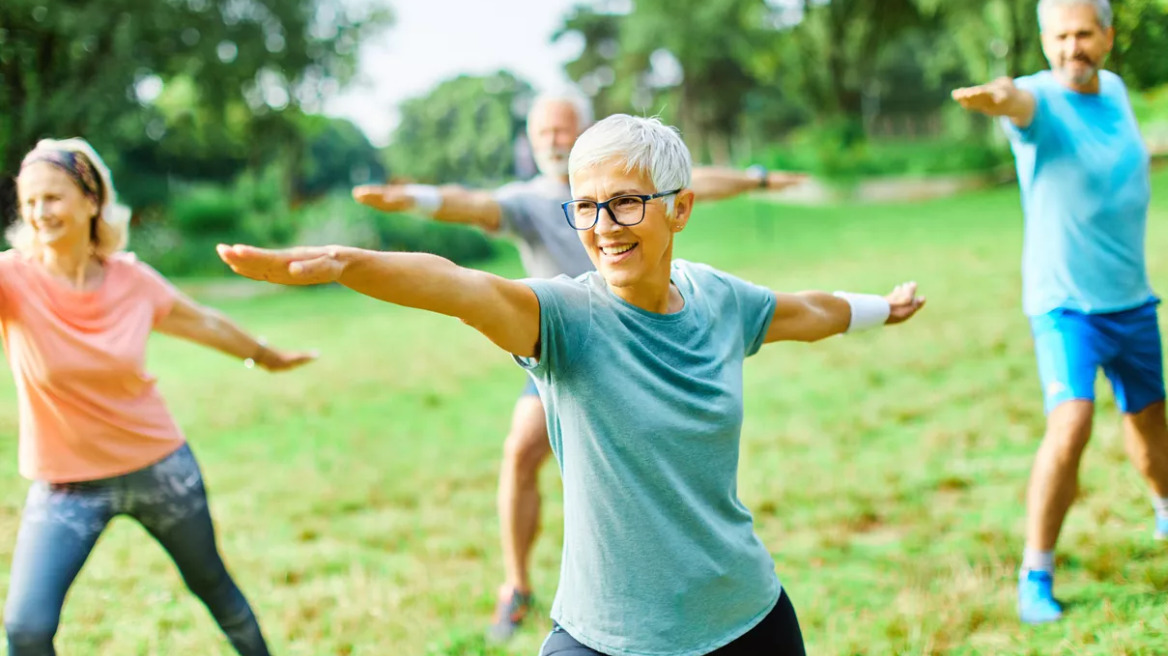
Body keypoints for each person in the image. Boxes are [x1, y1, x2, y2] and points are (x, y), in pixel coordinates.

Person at [218, 113, 925, 656]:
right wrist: (348, 263)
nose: (600, 227)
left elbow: (802, 311)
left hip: (746, 616)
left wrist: (879, 310)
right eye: (584, 206)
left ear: (679, 209)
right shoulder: (565, 319)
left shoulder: (715, 300)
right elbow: (461, 286)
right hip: (610, 634)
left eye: (624, 203)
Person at [352, 89, 808, 640]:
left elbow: (698, 181)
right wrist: (412, 199)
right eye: (542, 133)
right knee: (521, 449)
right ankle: (516, 585)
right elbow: (469, 207)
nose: (552, 141)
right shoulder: (531, 202)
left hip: (636, 344)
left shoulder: (633, 175)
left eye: (562, 130)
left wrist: (758, 179)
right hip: (566, 350)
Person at [1, 138, 316, 656]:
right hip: (65, 484)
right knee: (27, 629)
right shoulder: (11, 279)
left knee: (215, 588)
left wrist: (267, 355)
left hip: (157, 468)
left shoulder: (132, 280)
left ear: (91, 200)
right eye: (29, 200)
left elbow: (206, 322)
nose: (39, 212)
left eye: (53, 197)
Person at [951, 0, 1168, 625]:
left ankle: (1163, 512)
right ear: (1046, 43)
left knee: (1151, 423)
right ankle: (1035, 571)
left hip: (1131, 297)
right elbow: (1014, 99)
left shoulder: (1117, 90)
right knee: (1071, 423)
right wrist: (997, 96)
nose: (1074, 47)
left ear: (1107, 35)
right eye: (1061, 37)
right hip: (1066, 305)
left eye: (1085, 34)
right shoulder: (1038, 101)